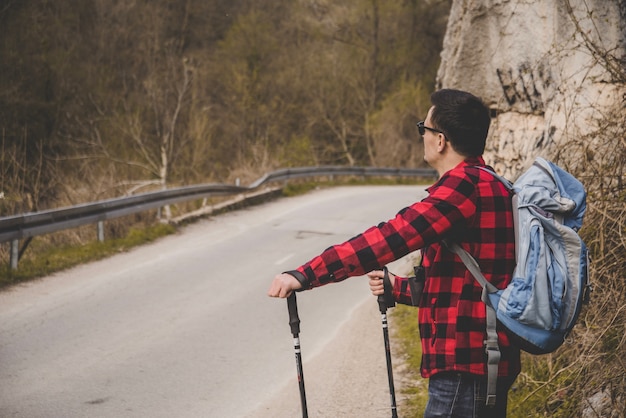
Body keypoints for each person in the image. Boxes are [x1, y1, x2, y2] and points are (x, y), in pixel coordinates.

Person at [267, 88, 520, 417]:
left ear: (440, 140)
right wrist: (396, 288)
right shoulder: (493, 182)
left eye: (423, 129)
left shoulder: (461, 189)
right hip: (484, 358)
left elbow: (388, 239)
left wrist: (306, 274)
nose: (423, 137)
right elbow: (471, 283)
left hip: (464, 366)